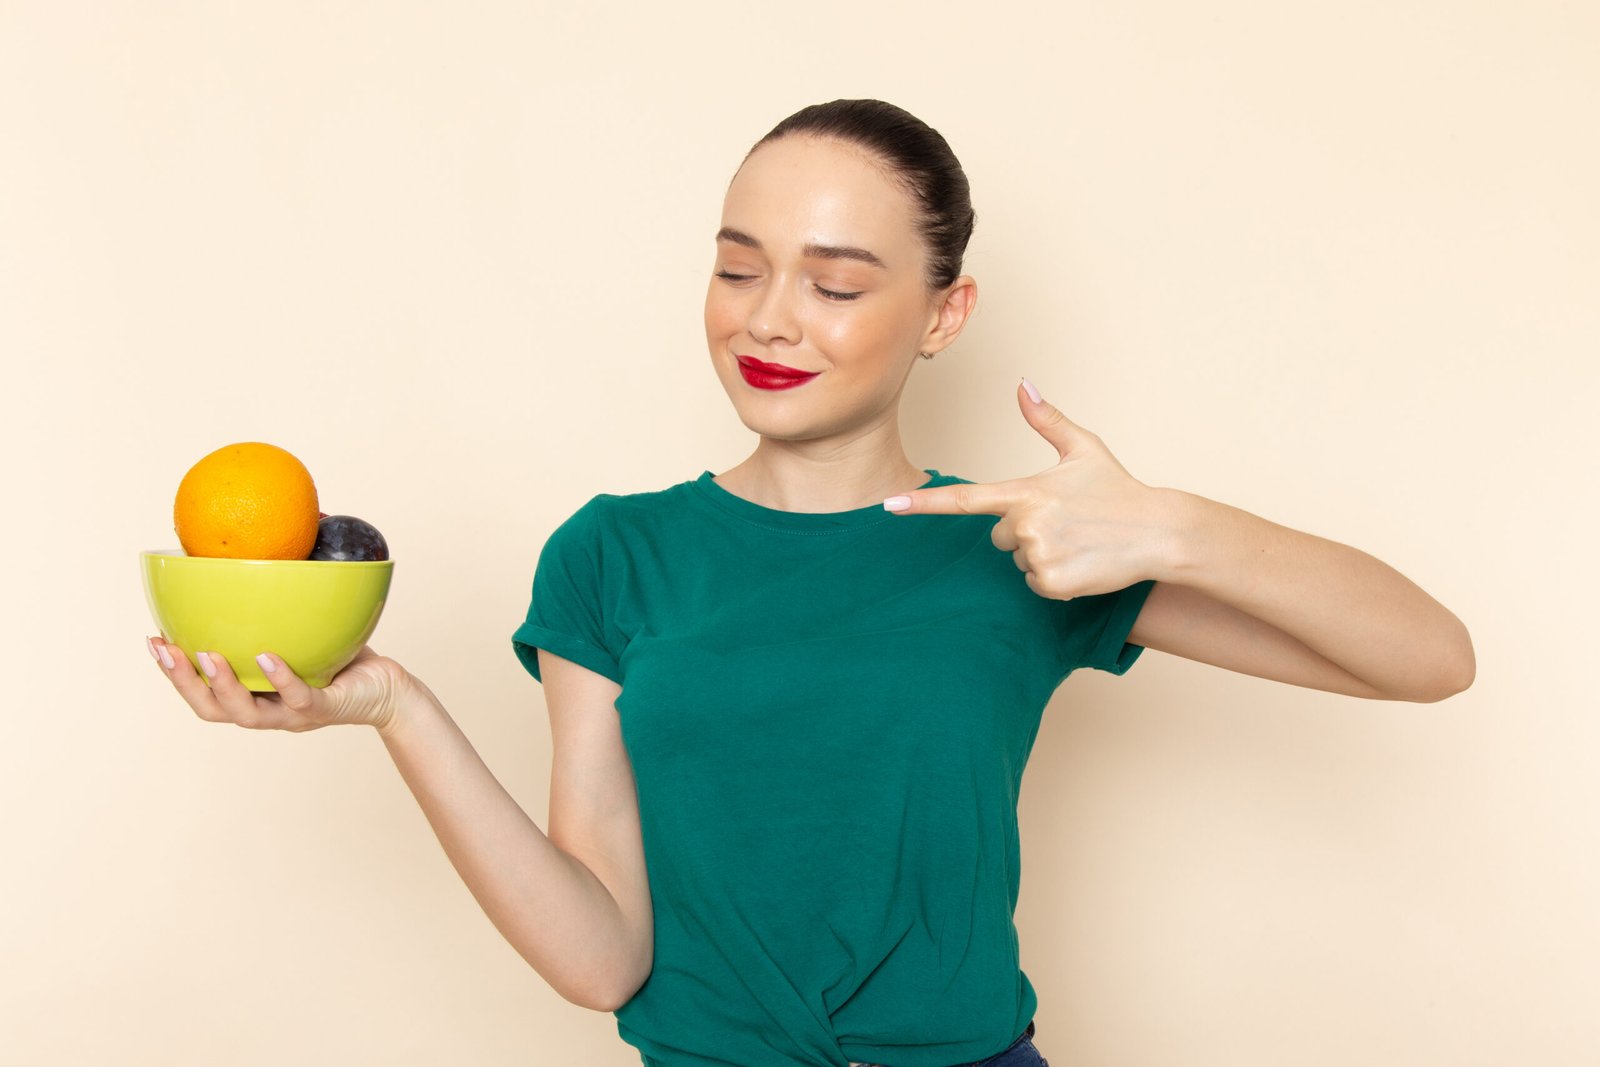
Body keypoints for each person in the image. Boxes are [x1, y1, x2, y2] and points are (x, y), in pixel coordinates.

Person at [147, 99, 1476, 1067]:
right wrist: (396, 709)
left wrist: (1168, 525)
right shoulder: (614, 555)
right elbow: (604, 956)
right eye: (738, 267)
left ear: (945, 314)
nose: (769, 316)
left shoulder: (1024, 540)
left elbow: (1427, 657)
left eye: (836, 284)